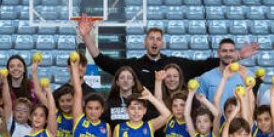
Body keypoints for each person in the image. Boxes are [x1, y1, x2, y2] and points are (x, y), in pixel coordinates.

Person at [78, 21, 258, 91]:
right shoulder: (134, 64)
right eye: (151, 39)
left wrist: (238, 57)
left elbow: (205, 64)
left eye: (158, 39)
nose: (155, 42)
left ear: (162, 43)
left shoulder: (174, 64)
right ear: (145, 43)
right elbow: (104, 62)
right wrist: (86, 36)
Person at [197, 39, 254, 111]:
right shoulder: (206, 77)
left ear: (235, 53)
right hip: (216, 121)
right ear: (218, 53)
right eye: (224, 51)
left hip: (238, 121)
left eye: (231, 51)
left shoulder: (246, 75)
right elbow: (202, 106)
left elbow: (251, 103)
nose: (228, 54)